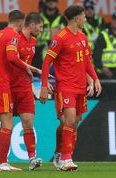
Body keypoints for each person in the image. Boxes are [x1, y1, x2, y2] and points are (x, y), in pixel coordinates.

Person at [39, 5, 101, 171]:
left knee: (71, 124)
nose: (86, 19)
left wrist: (95, 79)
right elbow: (46, 63)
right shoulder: (60, 38)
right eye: (83, 16)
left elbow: (87, 61)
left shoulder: (82, 37)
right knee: (70, 120)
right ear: (76, 18)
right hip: (65, 86)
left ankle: (60, 153)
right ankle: (67, 159)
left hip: (80, 86)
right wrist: (44, 86)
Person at [0, 10, 34, 171]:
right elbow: (11, 57)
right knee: (7, 120)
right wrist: (27, 67)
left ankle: (2, 162)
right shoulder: (13, 35)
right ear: (21, 23)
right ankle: (2, 162)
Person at [9, 12, 45, 171]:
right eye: (40, 27)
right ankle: (2, 161)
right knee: (1, 125)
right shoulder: (14, 38)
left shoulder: (34, 41)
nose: (41, 30)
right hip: (9, 87)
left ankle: (32, 158)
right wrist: (34, 70)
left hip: (24, 88)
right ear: (32, 25)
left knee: (29, 123)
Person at [35, 0, 66, 69]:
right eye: (49, 1)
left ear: (57, 2)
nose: (51, 2)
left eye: (54, 1)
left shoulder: (62, 20)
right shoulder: (38, 18)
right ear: (45, 2)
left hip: (58, 57)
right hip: (38, 57)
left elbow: (67, 38)